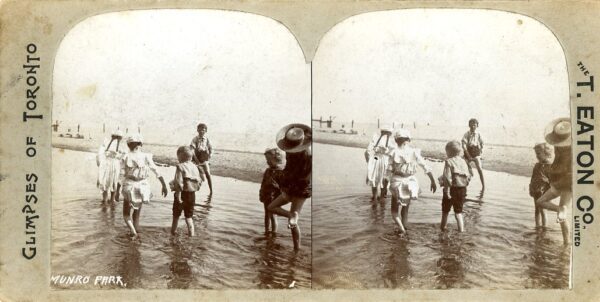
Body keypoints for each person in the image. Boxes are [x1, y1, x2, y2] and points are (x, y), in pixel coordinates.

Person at [268, 124, 311, 251]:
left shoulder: (308, 155)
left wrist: (290, 182)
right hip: (292, 185)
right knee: (272, 207)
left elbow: (307, 175)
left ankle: (296, 248)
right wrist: (284, 181)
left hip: (301, 188)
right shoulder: (291, 151)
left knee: (292, 220)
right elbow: (289, 168)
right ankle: (292, 216)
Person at [387, 129, 437, 237]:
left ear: (396, 140)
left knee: (394, 211)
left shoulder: (393, 152)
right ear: (408, 140)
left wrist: (385, 182)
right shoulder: (414, 152)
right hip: (411, 182)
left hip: (397, 182)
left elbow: (388, 170)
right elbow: (425, 166)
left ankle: (402, 230)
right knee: (405, 209)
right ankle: (405, 227)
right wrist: (432, 181)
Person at [121, 134, 168, 238]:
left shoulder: (125, 156)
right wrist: (163, 185)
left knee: (126, 214)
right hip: (142, 186)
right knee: (137, 212)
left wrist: (116, 191)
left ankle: (133, 232)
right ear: (140, 144)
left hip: (129, 185)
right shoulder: (146, 156)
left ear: (128, 145)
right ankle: (136, 230)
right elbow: (156, 171)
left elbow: (121, 175)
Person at [535, 118, 572, 244]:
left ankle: (567, 242)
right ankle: (560, 210)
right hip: (558, 182)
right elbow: (556, 163)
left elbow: (570, 170)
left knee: (562, 215)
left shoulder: (572, 150)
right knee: (540, 201)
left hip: (568, 183)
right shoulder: (558, 146)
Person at [170, 146, 204, 236]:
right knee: (189, 217)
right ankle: (191, 235)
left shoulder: (180, 167)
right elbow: (200, 181)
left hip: (182, 194)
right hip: (192, 195)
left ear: (180, 156)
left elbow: (179, 183)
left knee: (176, 216)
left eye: (178, 156)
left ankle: (173, 233)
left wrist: (178, 195)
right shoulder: (195, 167)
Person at [439, 141, 471, 232]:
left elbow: (447, 178)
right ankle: (461, 231)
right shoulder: (463, 161)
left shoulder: (449, 161)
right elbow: (468, 176)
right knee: (458, 212)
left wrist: (446, 191)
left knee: (445, 211)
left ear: (450, 152)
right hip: (462, 189)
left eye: (447, 152)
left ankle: (443, 228)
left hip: (451, 189)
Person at [365, 128, 395, 201]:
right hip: (386, 160)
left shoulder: (375, 138)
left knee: (374, 177)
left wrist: (370, 161)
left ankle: (374, 196)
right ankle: (382, 197)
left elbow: (367, 152)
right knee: (385, 178)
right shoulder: (391, 141)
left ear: (382, 132)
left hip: (376, 158)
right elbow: (393, 154)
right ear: (390, 133)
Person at [259, 148, 285, 234]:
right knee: (266, 214)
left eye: (269, 160)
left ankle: (274, 233)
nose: (267, 162)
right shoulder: (267, 170)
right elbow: (263, 183)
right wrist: (261, 193)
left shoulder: (280, 172)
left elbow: (283, 187)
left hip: (274, 197)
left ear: (276, 160)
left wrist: (278, 190)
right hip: (266, 195)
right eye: (267, 160)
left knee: (273, 215)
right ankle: (266, 231)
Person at [96, 130, 126, 204]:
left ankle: (105, 200)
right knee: (113, 182)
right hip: (115, 164)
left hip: (105, 164)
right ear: (120, 138)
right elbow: (123, 157)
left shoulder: (106, 142)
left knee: (104, 182)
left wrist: (99, 165)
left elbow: (99, 155)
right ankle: (112, 200)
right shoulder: (121, 145)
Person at [529, 143, 554, 229]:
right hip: (535, 190)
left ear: (546, 153)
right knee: (536, 210)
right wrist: (530, 188)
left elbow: (552, 180)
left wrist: (549, 193)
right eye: (536, 154)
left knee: (543, 210)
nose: (537, 156)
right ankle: (537, 226)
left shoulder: (549, 165)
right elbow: (533, 177)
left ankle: (544, 228)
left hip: (543, 191)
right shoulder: (537, 165)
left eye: (539, 153)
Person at [462, 118, 485, 192]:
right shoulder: (466, 134)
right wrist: (468, 155)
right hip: (468, 151)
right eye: (471, 125)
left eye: (474, 125)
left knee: (480, 169)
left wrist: (481, 152)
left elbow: (482, 143)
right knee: (463, 166)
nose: (473, 127)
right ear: (469, 125)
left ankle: (483, 186)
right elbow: (464, 145)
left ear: (477, 126)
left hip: (476, 152)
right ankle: (464, 184)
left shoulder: (479, 134)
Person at [190, 123, 213, 195]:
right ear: (197, 130)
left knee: (208, 174)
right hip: (196, 158)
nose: (201, 131)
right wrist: (196, 159)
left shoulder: (207, 139)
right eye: (200, 130)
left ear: (206, 131)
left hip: (204, 158)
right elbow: (192, 150)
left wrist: (210, 156)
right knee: (194, 175)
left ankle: (211, 191)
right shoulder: (195, 139)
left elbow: (211, 148)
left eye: (203, 130)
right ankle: (192, 190)